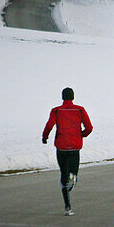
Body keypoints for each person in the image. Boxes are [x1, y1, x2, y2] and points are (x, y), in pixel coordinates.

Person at [42, 87, 92, 215]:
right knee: (73, 171)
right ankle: (73, 177)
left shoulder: (56, 110)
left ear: (62, 97)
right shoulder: (80, 110)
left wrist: (45, 136)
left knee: (63, 174)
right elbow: (89, 127)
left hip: (61, 146)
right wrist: (81, 134)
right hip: (75, 146)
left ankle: (67, 207)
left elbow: (49, 125)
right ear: (73, 97)